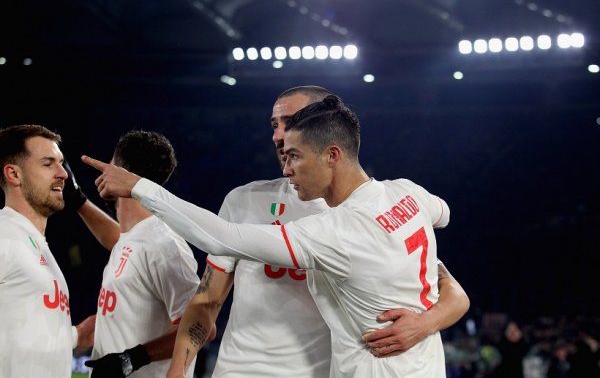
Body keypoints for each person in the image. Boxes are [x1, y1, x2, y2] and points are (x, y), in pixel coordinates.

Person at [83, 95, 458, 377]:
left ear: (330, 152)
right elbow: (441, 215)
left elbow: (220, 236)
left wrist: (141, 187)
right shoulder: (404, 193)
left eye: (295, 149)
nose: (284, 155)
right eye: (275, 126)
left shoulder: (337, 229)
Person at [82, 130, 203, 378]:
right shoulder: (132, 239)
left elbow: (202, 327)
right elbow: (117, 238)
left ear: (120, 173)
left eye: (110, 165)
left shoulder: (164, 243)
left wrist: (133, 358)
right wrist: (77, 201)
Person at [0, 124, 97, 377]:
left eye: (61, 163)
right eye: (48, 163)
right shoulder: (4, 234)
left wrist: (75, 336)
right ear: (14, 174)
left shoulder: (35, 244)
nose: (63, 173)